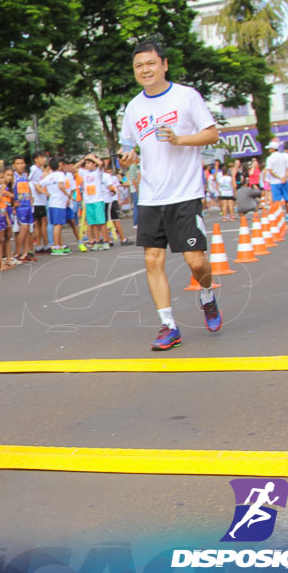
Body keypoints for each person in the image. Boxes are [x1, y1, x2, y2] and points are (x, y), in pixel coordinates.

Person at [119, 40, 221, 352]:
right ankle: (169, 325)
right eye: (138, 66)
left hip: (185, 193)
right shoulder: (134, 107)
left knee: (196, 262)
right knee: (153, 261)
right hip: (150, 196)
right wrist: (128, 158)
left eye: (150, 63)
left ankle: (207, 296)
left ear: (164, 64)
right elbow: (128, 147)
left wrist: (180, 139)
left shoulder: (186, 96)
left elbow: (212, 133)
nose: (144, 70)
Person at [41, 157, 72, 255]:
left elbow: (38, 185)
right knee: (58, 225)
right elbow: (60, 185)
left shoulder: (50, 176)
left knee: (57, 225)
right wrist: (67, 195)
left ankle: (60, 245)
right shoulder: (60, 174)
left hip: (52, 203)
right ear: (59, 166)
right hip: (59, 203)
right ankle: (56, 246)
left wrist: (47, 194)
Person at [79, 154, 107, 249]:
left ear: (94, 164)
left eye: (89, 163)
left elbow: (101, 163)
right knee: (93, 223)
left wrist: (92, 157)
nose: (87, 164)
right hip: (88, 201)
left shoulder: (98, 172)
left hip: (97, 200)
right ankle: (97, 241)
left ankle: (105, 241)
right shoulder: (84, 173)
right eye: (86, 163)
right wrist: (84, 159)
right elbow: (75, 168)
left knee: (101, 222)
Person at [29, 153, 49, 253]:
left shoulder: (39, 170)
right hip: (37, 200)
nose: (44, 159)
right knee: (42, 222)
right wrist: (44, 192)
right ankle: (44, 245)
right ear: (36, 159)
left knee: (39, 223)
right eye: (41, 157)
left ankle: (40, 245)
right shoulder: (34, 169)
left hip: (41, 200)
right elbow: (31, 183)